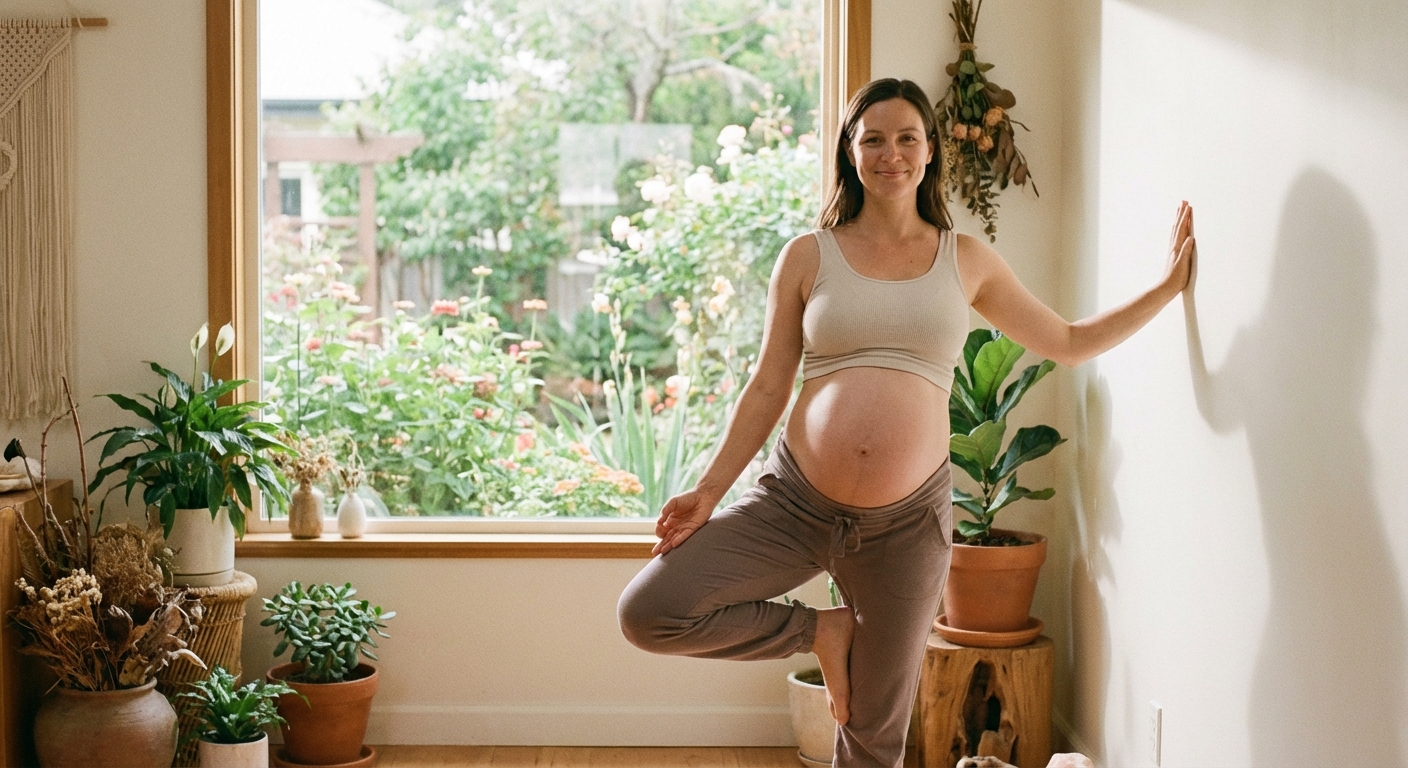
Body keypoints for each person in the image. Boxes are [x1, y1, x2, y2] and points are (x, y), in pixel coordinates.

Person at [617, 78, 1195, 767]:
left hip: (905, 528)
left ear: (929, 153)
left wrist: (1166, 289)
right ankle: (823, 633)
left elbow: (1067, 342)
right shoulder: (809, 255)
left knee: (872, 736)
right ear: (850, 151)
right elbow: (769, 383)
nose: (890, 153)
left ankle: (839, 653)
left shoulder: (966, 260)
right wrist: (709, 491)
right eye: (873, 139)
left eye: (906, 138)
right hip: (794, 504)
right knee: (650, 611)